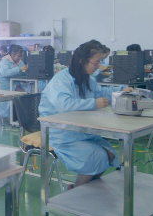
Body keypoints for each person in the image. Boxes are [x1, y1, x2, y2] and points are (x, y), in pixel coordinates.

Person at [39, 42, 133, 189]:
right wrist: (93, 103)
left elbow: (102, 93)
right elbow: (64, 105)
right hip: (60, 131)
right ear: (83, 61)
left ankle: (81, 189)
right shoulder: (61, 80)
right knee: (95, 156)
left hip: (79, 129)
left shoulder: (86, 78)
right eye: (96, 62)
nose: (98, 66)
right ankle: (77, 191)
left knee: (109, 153)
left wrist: (121, 91)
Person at [0, 45, 28, 118]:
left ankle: (21, 117)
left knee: (26, 96)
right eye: (18, 56)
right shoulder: (4, 61)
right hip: (5, 88)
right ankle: (18, 117)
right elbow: (5, 73)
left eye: (21, 56)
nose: (20, 58)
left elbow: (23, 70)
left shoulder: (19, 61)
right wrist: (19, 69)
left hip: (14, 86)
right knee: (24, 97)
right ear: (12, 54)